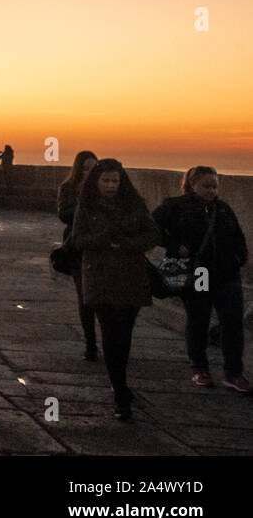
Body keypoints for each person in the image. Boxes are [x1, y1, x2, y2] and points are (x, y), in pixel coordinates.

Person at [68, 158, 160, 420]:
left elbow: (153, 235)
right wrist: (105, 239)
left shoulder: (134, 204)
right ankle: (120, 391)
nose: (110, 186)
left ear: (122, 182)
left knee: (124, 334)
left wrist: (128, 244)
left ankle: (120, 384)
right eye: (106, 181)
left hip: (130, 275)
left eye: (115, 181)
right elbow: (77, 239)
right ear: (96, 182)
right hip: (100, 277)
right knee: (110, 333)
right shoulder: (86, 206)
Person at [153, 166, 249, 393]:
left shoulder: (223, 209)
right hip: (198, 274)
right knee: (199, 321)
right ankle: (200, 368)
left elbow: (238, 237)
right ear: (192, 184)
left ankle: (234, 373)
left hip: (227, 275)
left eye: (215, 186)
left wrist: (238, 258)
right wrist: (174, 246)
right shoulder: (175, 207)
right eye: (206, 186)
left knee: (233, 324)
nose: (211, 191)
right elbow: (150, 228)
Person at [58, 150, 99, 360]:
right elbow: (63, 214)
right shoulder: (69, 188)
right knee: (85, 298)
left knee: (103, 299)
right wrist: (84, 207)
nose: (90, 172)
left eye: (93, 168)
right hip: (77, 249)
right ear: (78, 169)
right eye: (85, 168)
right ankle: (90, 344)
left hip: (101, 249)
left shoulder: (106, 188)